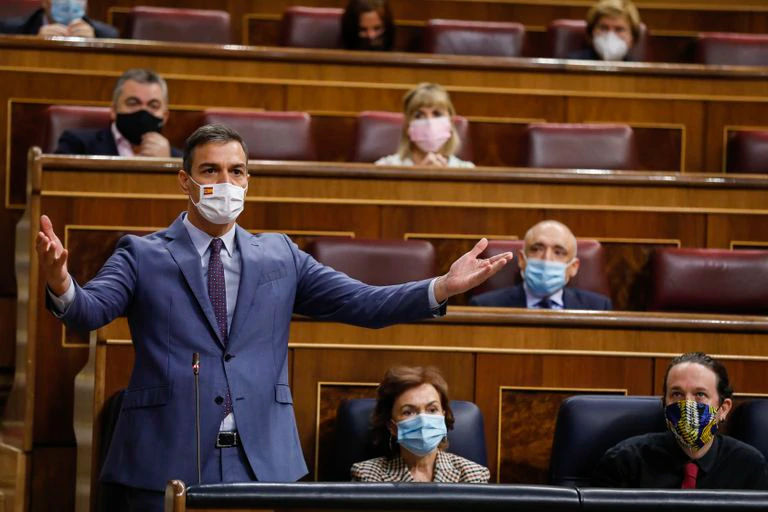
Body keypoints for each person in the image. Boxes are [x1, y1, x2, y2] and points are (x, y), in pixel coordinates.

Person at [36, 123, 513, 510]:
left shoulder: (279, 255)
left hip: (261, 461)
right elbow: (90, 310)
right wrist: (61, 281)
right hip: (164, 457)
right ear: (185, 180)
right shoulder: (142, 253)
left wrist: (442, 287)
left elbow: (363, 303)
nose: (225, 183)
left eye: (236, 171)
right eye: (211, 170)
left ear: (248, 179)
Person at [592, 352, 768, 489]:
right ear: (664, 404)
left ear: (723, 409)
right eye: (677, 394)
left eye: (700, 394)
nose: (687, 405)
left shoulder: (749, 466)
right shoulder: (625, 460)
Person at [351, 366, 490, 482]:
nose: (423, 419)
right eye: (408, 412)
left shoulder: (474, 476)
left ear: (443, 415)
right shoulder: (368, 475)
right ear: (392, 426)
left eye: (432, 409)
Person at [469, 220, 612, 310]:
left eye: (559, 252)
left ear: (573, 267)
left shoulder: (598, 307)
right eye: (537, 249)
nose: (546, 259)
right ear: (521, 260)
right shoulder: (486, 307)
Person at [54, 68, 181, 158]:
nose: (143, 111)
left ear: (165, 116)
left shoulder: (179, 160)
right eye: (133, 103)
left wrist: (167, 166)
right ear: (114, 110)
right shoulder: (78, 145)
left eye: (153, 105)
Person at [376, 83, 475, 168]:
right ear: (407, 126)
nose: (429, 122)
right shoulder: (386, 167)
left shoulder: (467, 170)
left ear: (450, 122)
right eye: (419, 115)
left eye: (437, 114)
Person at [567, 0, 642, 62]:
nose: (610, 36)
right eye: (603, 28)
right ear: (591, 33)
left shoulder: (641, 72)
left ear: (633, 37)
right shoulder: (572, 64)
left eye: (619, 29)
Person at [0, 0, 118, 38]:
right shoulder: (10, 32)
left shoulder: (106, 36)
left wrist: (93, 47)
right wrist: (35, 44)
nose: (70, 2)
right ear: (44, 2)